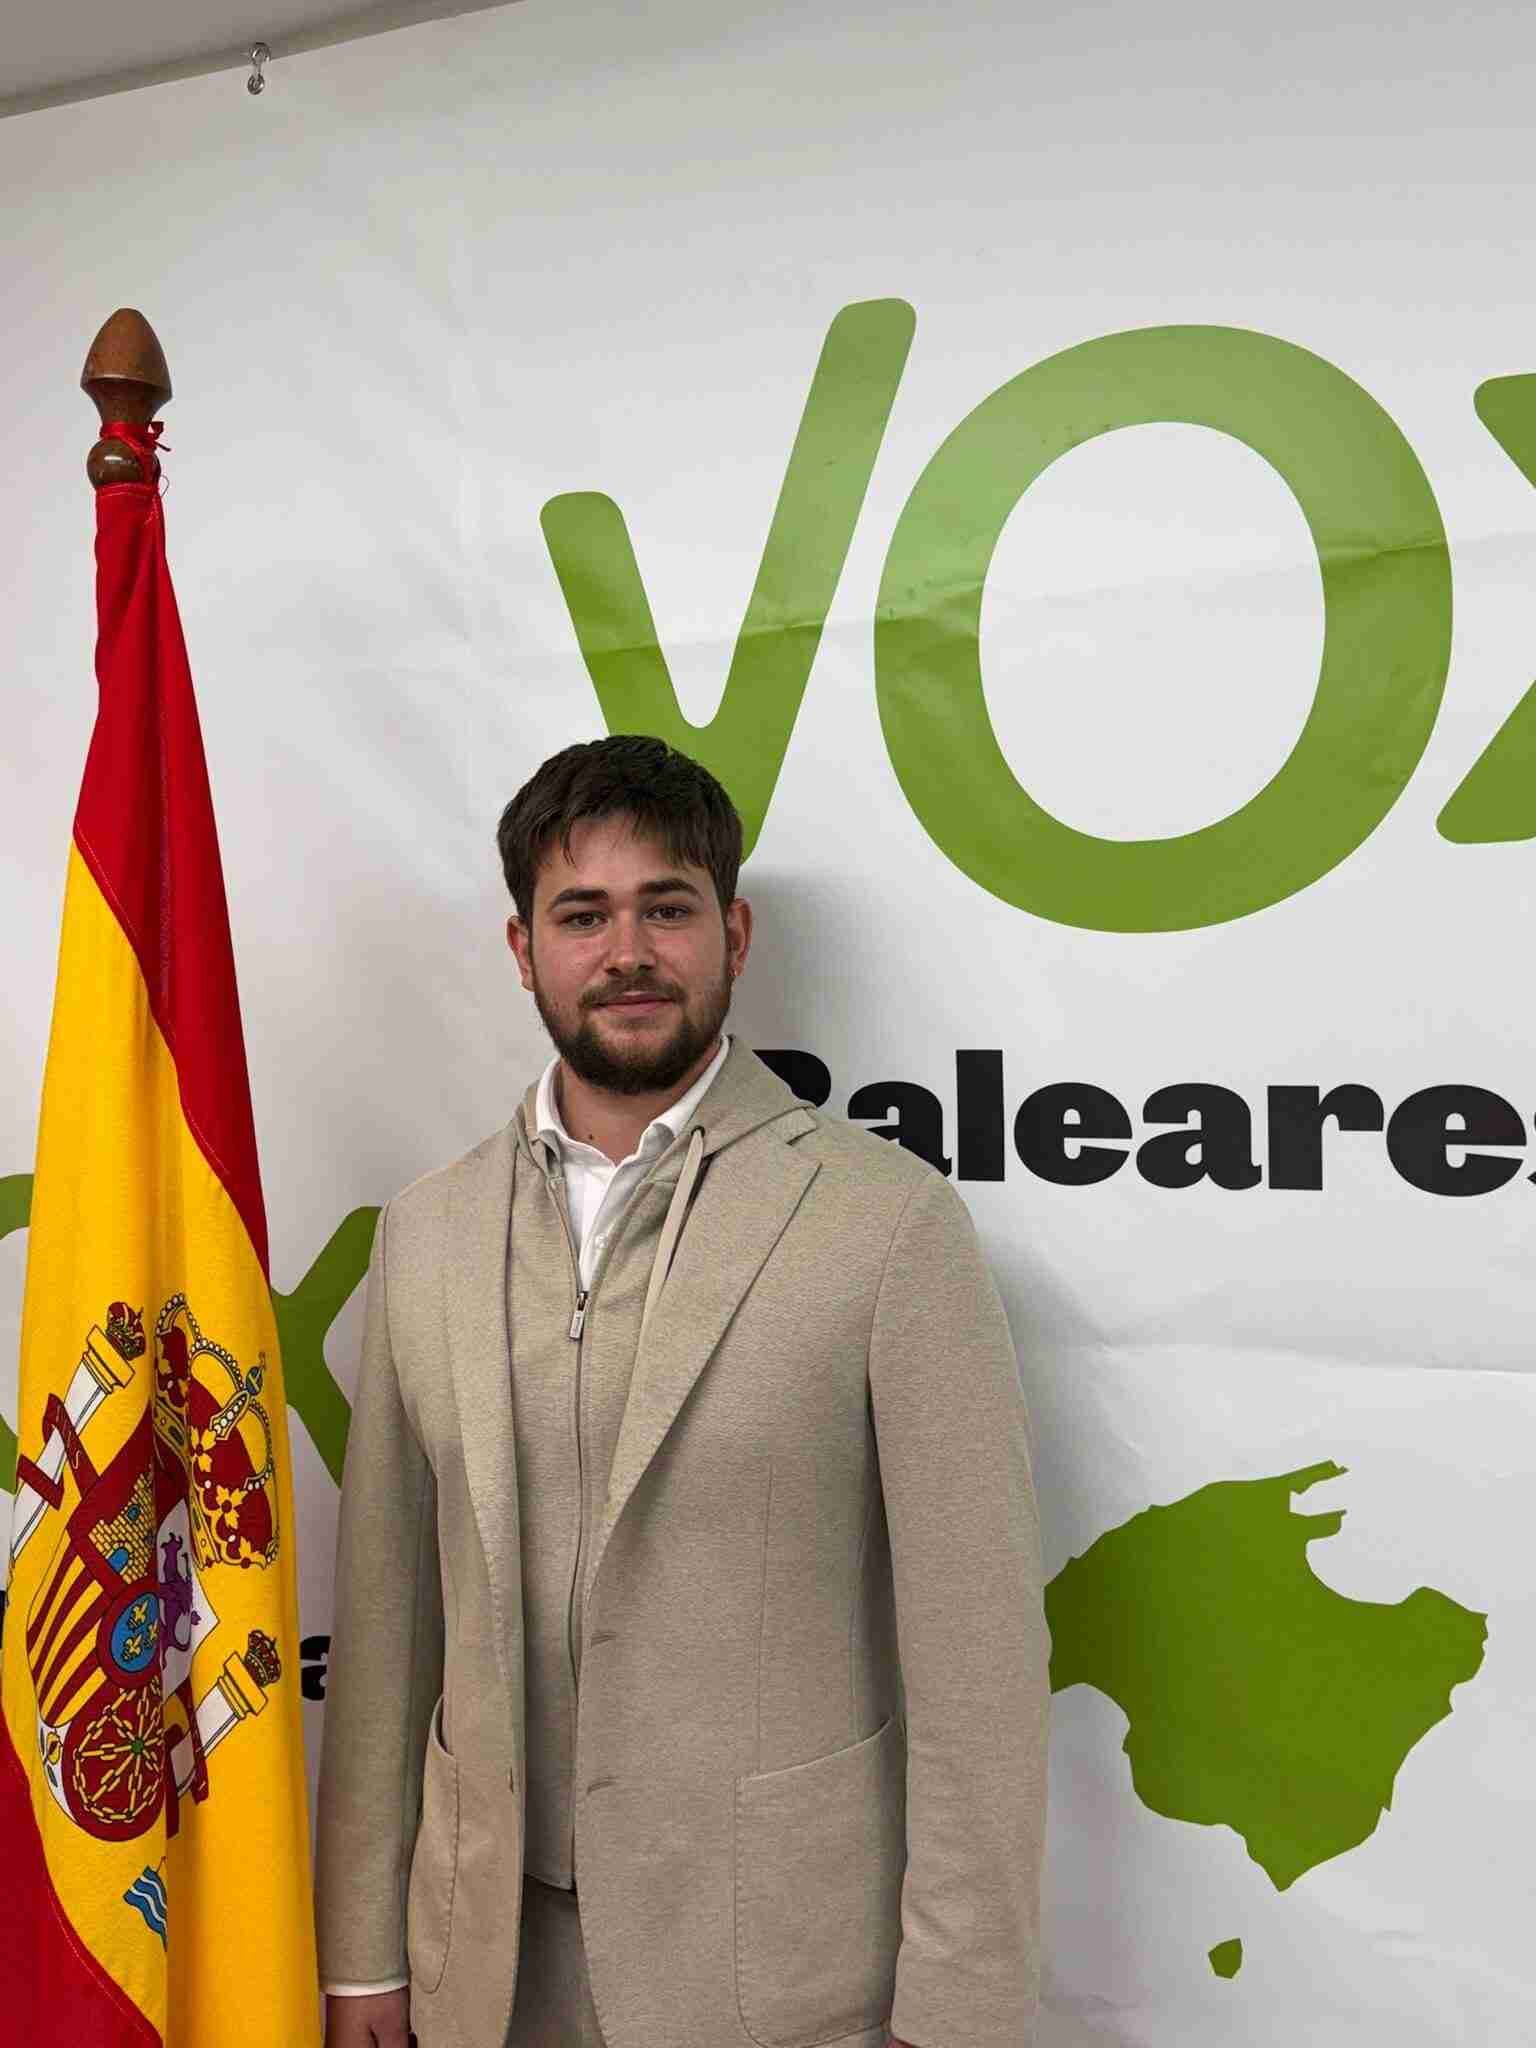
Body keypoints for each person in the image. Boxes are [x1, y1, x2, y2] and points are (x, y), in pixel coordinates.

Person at [314, 735, 1049, 2048]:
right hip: (482, 1971)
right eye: (582, 914)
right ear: (522, 946)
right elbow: (383, 1624)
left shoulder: (887, 1225)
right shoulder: (424, 1232)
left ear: (734, 930)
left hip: (781, 1978)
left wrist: (964, 2007)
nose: (628, 950)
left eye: (668, 907)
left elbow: (978, 1663)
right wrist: (364, 1947)